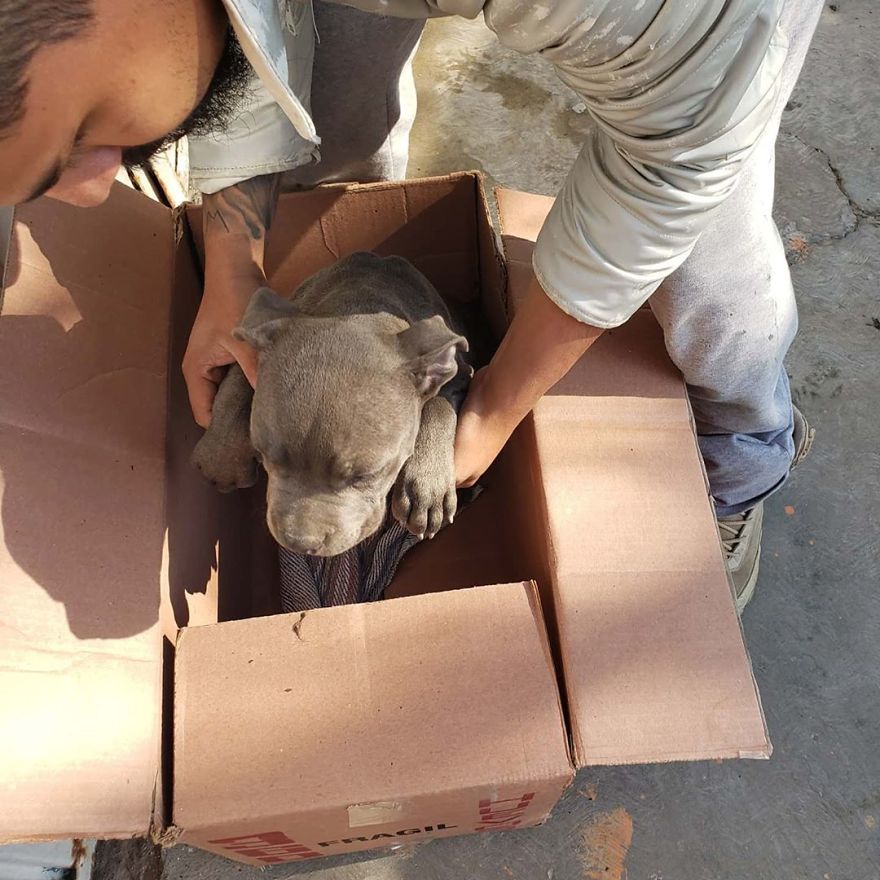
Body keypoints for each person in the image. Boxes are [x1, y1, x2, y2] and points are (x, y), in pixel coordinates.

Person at [0, 0, 821, 611]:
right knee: (327, 96)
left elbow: (673, 168)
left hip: (698, 48)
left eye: (79, 136)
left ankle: (743, 449)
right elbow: (249, 30)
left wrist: (494, 409)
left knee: (708, 256)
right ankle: (346, 201)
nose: (96, 189)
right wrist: (233, 269)